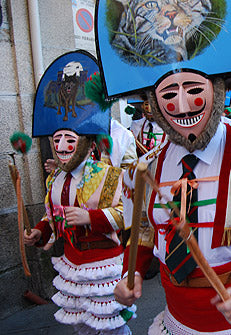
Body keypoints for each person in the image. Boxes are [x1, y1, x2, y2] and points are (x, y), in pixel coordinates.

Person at [102, 3, 231, 333]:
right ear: (153, 104)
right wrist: (132, 274)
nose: (182, 105)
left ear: (219, 90)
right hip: (174, 323)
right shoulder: (145, 170)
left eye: (195, 90)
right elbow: (143, 233)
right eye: (169, 94)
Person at [25, 51, 132, 334]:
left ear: (84, 143)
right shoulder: (55, 180)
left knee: (111, 328)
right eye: (56, 138)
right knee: (82, 327)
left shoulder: (108, 175)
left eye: (69, 139)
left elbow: (125, 216)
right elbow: (53, 217)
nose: (60, 146)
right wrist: (40, 232)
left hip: (103, 266)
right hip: (72, 265)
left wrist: (89, 217)